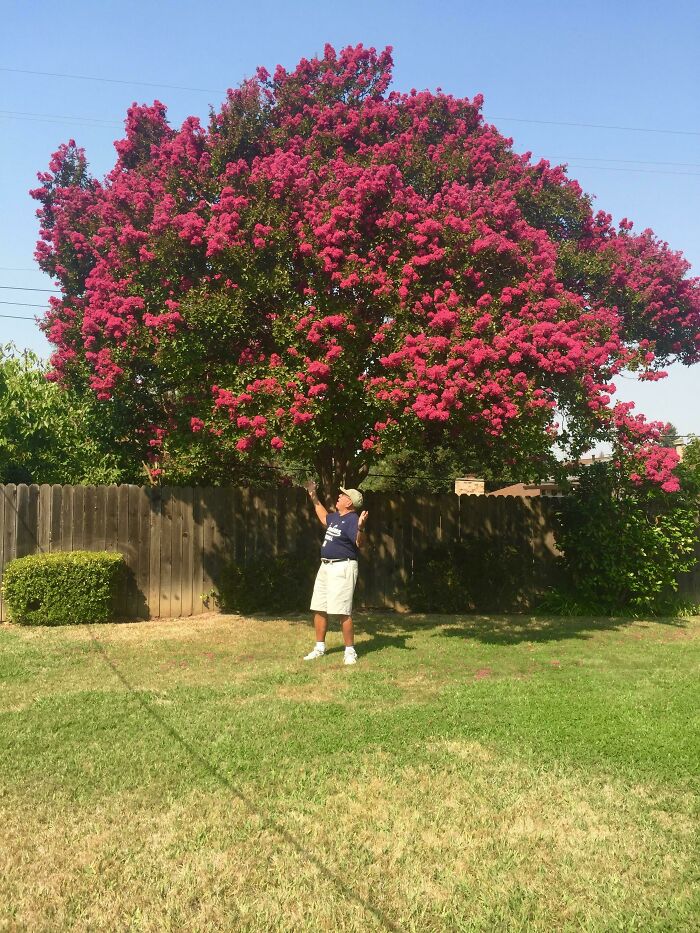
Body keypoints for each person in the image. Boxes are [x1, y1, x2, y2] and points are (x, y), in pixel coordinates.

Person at [303, 480, 369, 665]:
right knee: (319, 607)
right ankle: (319, 648)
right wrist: (313, 496)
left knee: (342, 611)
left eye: (343, 495)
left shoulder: (352, 520)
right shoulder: (337, 517)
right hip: (325, 567)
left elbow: (359, 543)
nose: (339, 496)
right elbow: (324, 517)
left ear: (349, 503)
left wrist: (361, 528)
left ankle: (350, 651)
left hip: (343, 567)